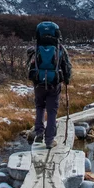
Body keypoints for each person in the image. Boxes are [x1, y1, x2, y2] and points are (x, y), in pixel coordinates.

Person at [27, 21, 72, 149]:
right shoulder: (60, 49)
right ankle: (49, 140)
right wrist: (67, 79)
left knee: (40, 107)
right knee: (52, 111)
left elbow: (29, 65)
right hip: (54, 84)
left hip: (38, 83)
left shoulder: (34, 49)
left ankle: (39, 132)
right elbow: (67, 66)